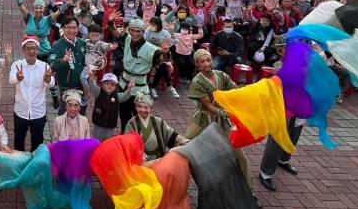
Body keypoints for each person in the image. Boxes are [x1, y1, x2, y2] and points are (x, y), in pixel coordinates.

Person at [185, 48, 251, 186]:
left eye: (208, 60)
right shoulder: (197, 82)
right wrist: (229, 114)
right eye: (202, 61)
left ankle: (249, 189)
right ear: (197, 64)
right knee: (184, 144)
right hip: (204, 119)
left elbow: (234, 90)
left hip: (224, 120)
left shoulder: (221, 75)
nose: (207, 64)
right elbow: (209, 107)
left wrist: (250, 91)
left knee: (241, 157)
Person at [108, 16, 158, 131]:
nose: (135, 33)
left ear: (143, 31)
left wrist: (164, 54)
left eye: (138, 31)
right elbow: (115, 32)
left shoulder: (150, 48)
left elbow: (159, 57)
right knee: (124, 116)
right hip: (123, 85)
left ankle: (137, 142)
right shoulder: (127, 39)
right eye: (132, 30)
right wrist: (111, 22)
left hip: (140, 89)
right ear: (129, 30)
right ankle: (124, 138)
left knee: (140, 118)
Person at [9, 36, 54, 152]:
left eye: (34, 48)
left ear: (38, 50)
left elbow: (51, 84)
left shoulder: (44, 66)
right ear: (23, 50)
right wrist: (18, 79)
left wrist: (48, 79)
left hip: (38, 112)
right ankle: (19, 163)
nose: (31, 51)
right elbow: (11, 80)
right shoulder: (17, 65)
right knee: (19, 140)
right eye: (28, 48)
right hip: (21, 110)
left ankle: (34, 164)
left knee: (38, 141)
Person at [123, 92, 189, 160]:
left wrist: (183, 140)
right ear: (135, 107)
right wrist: (138, 152)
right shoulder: (131, 124)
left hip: (159, 158)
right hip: (142, 159)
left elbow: (172, 134)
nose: (142, 110)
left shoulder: (158, 121)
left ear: (150, 108)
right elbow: (128, 143)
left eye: (146, 107)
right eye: (139, 106)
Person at [50, 16, 87, 114]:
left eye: (74, 27)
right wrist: (63, 60)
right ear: (63, 28)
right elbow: (52, 66)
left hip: (82, 88)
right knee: (64, 116)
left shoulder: (83, 43)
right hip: (66, 89)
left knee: (81, 116)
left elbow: (87, 62)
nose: (72, 30)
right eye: (68, 27)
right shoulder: (57, 46)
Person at [258, 117, 302, 192]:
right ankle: (265, 173)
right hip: (283, 107)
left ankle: (283, 160)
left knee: (296, 128)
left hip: (300, 105)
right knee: (279, 133)